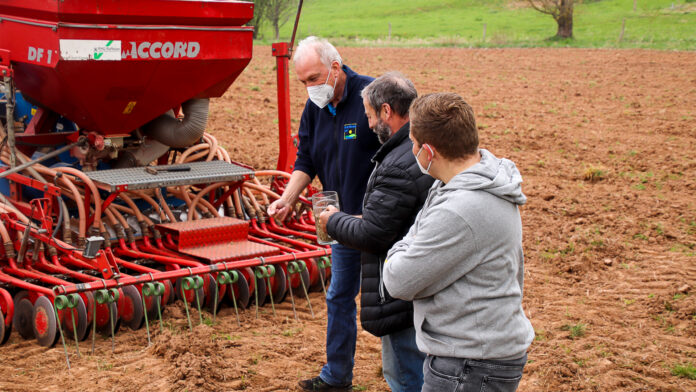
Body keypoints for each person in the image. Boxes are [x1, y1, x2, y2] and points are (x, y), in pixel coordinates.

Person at [382, 93, 534, 392]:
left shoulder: (459, 209)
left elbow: (397, 280)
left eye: (413, 143)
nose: (411, 151)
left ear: (428, 151)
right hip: (481, 353)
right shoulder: (473, 182)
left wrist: (399, 247)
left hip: (470, 363)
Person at [266, 36, 381, 391]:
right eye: (302, 82)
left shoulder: (371, 98)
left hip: (379, 222)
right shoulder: (314, 108)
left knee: (394, 301)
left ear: (335, 67)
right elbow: (307, 160)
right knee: (339, 296)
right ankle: (337, 376)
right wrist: (287, 198)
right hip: (340, 223)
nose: (310, 88)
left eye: (314, 78)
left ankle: (409, 378)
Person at [318, 72, 434, 392]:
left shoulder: (398, 161)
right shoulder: (422, 148)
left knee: (405, 376)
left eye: (370, 116)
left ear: (386, 112)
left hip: (399, 292)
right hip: (422, 283)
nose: (368, 125)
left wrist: (335, 221)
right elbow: (393, 217)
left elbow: (374, 235)